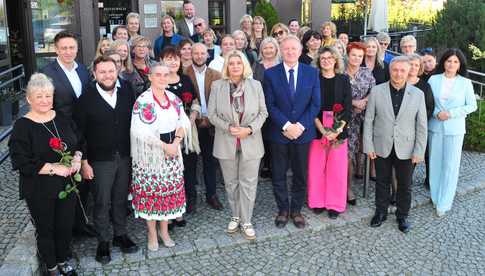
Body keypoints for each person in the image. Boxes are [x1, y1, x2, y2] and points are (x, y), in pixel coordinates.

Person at [9, 73, 82, 276]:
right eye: (39, 96)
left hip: (65, 185)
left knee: (65, 225)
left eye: (48, 96)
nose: (44, 100)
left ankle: (62, 259)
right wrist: (53, 167)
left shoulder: (61, 117)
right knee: (46, 228)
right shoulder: (22, 126)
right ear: (29, 99)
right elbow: (21, 161)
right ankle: (51, 267)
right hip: (39, 188)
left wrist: (77, 157)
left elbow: (78, 140)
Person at [74, 56, 138, 264]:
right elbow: (79, 133)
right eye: (102, 72)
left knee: (120, 198)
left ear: (117, 70)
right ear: (94, 74)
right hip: (99, 159)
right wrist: (84, 162)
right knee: (102, 202)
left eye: (111, 71)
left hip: (125, 155)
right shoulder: (86, 98)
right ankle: (103, 241)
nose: (107, 75)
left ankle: (120, 234)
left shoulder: (127, 90)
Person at [208, 50, 268, 240]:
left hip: (251, 141)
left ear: (244, 66)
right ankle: (235, 215)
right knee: (231, 183)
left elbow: (263, 113)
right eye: (231, 63)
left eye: (238, 63)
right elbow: (212, 114)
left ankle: (247, 219)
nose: (235, 66)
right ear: (227, 66)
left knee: (249, 183)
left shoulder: (255, 85)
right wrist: (228, 127)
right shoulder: (217, 86)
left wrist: (249, 129)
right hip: (226, 140)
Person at [364, 56, 428, 233]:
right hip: (381, 145)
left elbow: (422, 125)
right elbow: (368, 120)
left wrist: (419, 150)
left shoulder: (418, 94)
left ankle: (402, 215)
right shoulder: (377, 91)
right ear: (390, 70)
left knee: (405, 184)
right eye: (395, 70)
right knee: (382, 182)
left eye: (402, 70)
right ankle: (381, 212)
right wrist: (368, 146)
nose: (398, 73)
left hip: (407, 148)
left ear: (408, 72)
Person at [130, 63, 191, 250]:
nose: (163, 78)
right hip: (151, 155)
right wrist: (164, 146)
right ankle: (151, 233)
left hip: (173, 151)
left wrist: (176, 142)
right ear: (150, 77)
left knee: (167, 193)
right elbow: (139, 130)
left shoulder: (173, 98)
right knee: (152, 193)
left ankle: (164, 231)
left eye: (166, 75)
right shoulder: (143, 101)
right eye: (158, 75)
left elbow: (183, 121)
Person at [40, 31, 94, 238]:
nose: (68, 51)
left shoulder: (82, 69)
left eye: (72, 47)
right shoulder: (46, 73)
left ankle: (80, 223)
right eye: (64, 48)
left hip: (84, 131)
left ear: (77, 49)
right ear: (56, 49)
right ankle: (67, 229)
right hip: (61, 133)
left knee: (83, 180)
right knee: (66, 181)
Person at [263, 35, 320, 229]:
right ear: (281, 51)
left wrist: (300, 126)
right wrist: (287, 126)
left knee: (300, 174)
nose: (290, 52)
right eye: (286, 49)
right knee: (278, 174)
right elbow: (269, 105)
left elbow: (315, 104)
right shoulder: (271, 74)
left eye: (293, 49)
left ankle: (296, 210)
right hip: (279, 133)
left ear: (300, 51)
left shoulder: (311, 73)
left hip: (304, 133)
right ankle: (283, 209)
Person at [428, 48, 477, 217]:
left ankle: (445, 202)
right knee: (435, 163)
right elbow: (427, 102)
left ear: (459, 65)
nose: (451, 64)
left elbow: (472, 105)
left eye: (455, 61)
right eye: (449, 60)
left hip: (454, 129)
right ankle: (435, 196)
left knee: (450, 165)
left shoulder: (465, 83)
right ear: (443, 62)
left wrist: (450, 113)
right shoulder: (433, 80)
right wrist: (436, 113)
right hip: (435, 126)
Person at [308, 47, 352, 219]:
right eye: (323, 58)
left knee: (337, 169)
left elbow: (348, 108)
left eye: (329, 57)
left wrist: (336, 131)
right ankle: (317, 201)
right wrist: (323, 131)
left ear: (336, 60)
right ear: (319, 61)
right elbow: (310, 106)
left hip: (338, 131)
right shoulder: (313, 80)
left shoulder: (343, 79)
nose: (326, 60)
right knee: (316, 168)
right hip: (317, 129)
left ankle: (334, 204)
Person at [159, 46, 200, 225]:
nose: (173, 62)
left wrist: (191, 118)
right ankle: (169, 212)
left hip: (188, 134)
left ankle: (184, 207)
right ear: (161, 61)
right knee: (170, 174)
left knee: (188, 171)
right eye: (169, 59)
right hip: (167, 137)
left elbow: (196, 101)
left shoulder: (186, 79)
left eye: (175, 58)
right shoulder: (158, 82)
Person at [185, 43, 223, 212]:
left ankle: (211, 195)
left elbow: (222, 100)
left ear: (207, 55)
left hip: (211, 125)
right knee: (190, 162)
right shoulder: (184, 74)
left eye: (202, 53)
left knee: (210, 161)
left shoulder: (216, 75)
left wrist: (211, 119)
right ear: (191, 54)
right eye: (196, 53)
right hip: (191, 125)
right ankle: (191, 197)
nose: (199, 56)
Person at [344, 42, 376, 206]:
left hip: (364, 118)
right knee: (347, 155)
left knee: (361, 151)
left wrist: (364, 101)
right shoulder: (340, 72)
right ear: (347, 55)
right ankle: (347, 189)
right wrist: (353, 102)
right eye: (353, 55)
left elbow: (375, 92)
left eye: (360, 56)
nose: (356, 58)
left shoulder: (367, 73)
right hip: (344, 119)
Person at [252, 37, 280, 179]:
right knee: (263, 137)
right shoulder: (257, 66)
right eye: (265, 48)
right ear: (261, 50)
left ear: (276, 49)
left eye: (271, 47)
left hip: (279, 107)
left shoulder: (282, 64)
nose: (268, 50)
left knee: (276, 137)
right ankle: (266, 164)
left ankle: (275, 165)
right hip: (260, 107)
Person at [407, 53, 435, 189]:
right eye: (410, 64)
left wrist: (418, 122)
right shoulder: (397, 81)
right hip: (398, 128)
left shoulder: (425, 86)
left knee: (413, 157)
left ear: (420, 68)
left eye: (416, 65)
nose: (413, 67)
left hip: (417, 128)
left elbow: (430, 108)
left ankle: (405, 184)